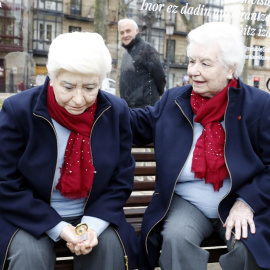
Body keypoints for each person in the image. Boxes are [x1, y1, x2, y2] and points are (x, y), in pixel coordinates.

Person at [130, 22, 270, 270]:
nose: (194, 71)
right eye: (192, 61)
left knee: (247, 247)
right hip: (188, 202)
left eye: (205, 64)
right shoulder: (175, 99)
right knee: (176, 238)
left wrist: (247, 202)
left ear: (230, 69)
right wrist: (95, 99)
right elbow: (138, 125)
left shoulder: (258, 106)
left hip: (238, 199)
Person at [0, 32, 137, 270]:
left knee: (109, 249)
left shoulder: (116, 111)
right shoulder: (18, 110)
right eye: (68, 87)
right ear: (52, 78)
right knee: (30, 255)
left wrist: (92, 226)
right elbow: (5, 182)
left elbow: (120, 179)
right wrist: (60, 228)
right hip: (28, 214)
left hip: (93, 213)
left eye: (90, 87)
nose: (78, 99)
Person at [118, 18, 166, 109]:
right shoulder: (125, 53)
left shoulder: (147, 49)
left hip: (145, 110)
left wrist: (159, 94)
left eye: (128, 31)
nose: (125, 35)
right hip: (129, 109)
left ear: (137, 31)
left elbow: (160, 76)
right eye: (122, 32)